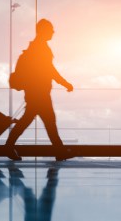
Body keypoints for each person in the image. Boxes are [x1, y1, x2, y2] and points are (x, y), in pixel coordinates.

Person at [6, 19, 73, 160]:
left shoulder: (36, 47)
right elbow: (50, 70)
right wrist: (64, 83)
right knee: (47, 121)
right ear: (43, 31)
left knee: (34, 120)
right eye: (51, 29)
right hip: (39, 92)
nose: (53, 32)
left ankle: (9, 146)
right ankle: (59, 151)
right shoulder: (41, 48)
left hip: (35, 91)